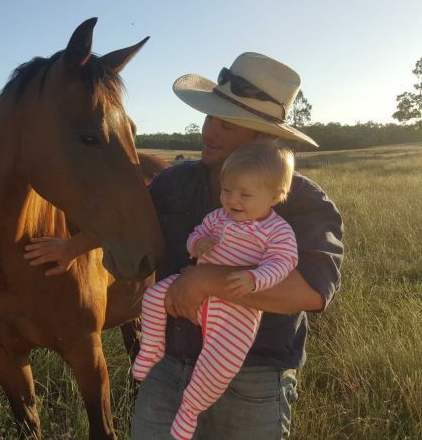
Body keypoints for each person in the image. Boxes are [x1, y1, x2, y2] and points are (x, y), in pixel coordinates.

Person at [24, 52, 344, 439]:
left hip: (252, 377)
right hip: (167, 367)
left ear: (262, 138)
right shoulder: (174, 183)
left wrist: (205, 281)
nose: (209, 131)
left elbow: (311, 291)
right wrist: (72, 247)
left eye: (226, 125)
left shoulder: (303, 201)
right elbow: (132, 219)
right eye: (210, 117)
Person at [132, 141, 299, 439]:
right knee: (154, 296)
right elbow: (198, 233)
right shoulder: (218, 217)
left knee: (218, 365)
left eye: (244, 195)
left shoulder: (277, 231)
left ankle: (189, 411)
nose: (232, 200)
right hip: (195, 296)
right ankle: (151, 348)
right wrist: (197, 244)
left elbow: (284, 261)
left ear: (275, 197)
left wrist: (256, 279)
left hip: (237, 310)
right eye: (226, 191)